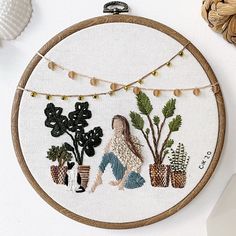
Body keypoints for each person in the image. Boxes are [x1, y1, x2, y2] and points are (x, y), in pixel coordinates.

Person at [91, 115, 145, 192]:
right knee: (108, 155)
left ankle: (121, 181)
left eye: (119, 126)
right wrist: (113, 138)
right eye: (114, 126)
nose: (117, 128)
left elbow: (133, 162)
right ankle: (98, 178)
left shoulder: (132, 140)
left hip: (131, 174)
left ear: (124, 126)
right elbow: (105, 152)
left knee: (132, 181)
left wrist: (122, 182)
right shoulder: (115, 139)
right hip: (119, 172)